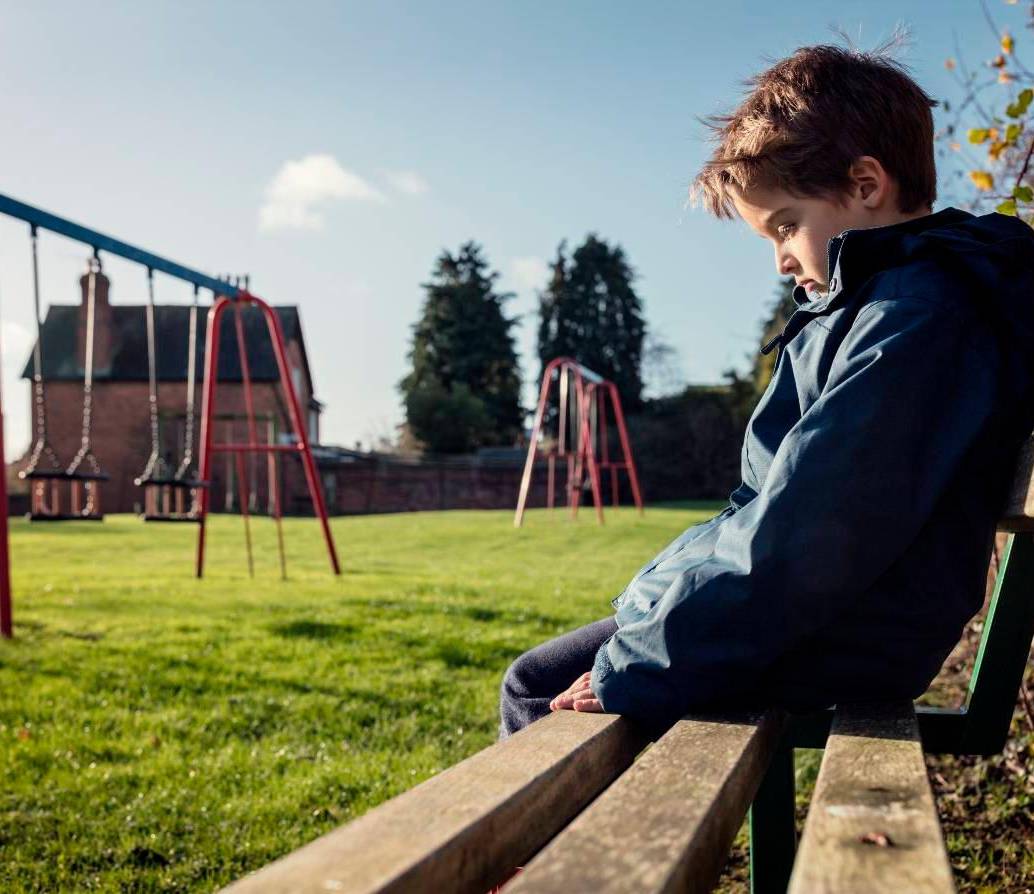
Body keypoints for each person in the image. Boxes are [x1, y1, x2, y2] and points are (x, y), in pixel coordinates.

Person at [499, 43, 1034, 739]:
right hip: (822, 620)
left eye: (786, 224)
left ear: (866, 184)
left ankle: (577, 855)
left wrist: (636, 662)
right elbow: (775, 513)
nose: (781, 257)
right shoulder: (872, 310)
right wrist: (655, 602)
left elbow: (813, 529)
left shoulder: (916, 318)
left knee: (539, 689)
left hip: (842, 633)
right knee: (564, 671)